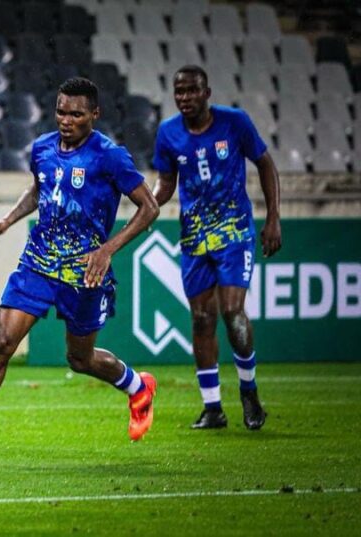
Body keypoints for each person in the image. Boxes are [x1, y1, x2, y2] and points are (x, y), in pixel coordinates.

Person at [0, 78, 160, 463]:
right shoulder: (43, 147)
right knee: (3, 342)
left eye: (76, 114)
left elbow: (149, 207)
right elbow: (39, 190)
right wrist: (7, 221)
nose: (66, 120)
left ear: (95, 114)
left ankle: (137, 386)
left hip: (84, 272)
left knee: (80, 359)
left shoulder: (110, 156)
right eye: (61, 112)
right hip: (38, 261)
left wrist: (107, 250)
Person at [152, 65, 280, 430]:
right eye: (179, 91)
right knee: (201, 318)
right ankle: (213, 408)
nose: (185, 97)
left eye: (192, 90)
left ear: (207, 93)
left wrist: (273, 217)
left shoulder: (234, 122)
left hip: (234, 232)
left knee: (232, 312)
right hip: (194, 237)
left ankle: (249, 390)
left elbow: (265, 163)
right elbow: (166, 182)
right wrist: (148, 206)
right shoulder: (168, 133)